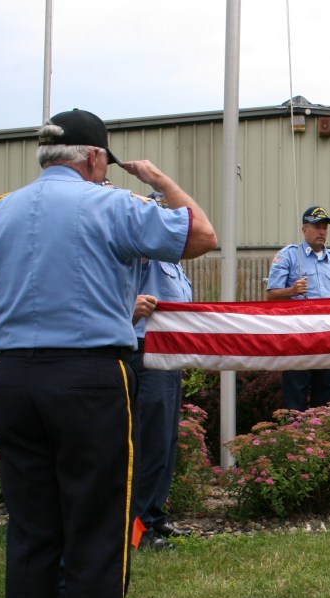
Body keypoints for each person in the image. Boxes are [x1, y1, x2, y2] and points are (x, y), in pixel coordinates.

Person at [0, 108, 216, 598]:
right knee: (97, 533)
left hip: (18, 381)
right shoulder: (114, 204)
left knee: (30, 537)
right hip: (92, 380)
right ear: (96, 158)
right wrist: (158, 181)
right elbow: (201, 235)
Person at [131, 193, 195, 551]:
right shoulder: (142, 252)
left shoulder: (171, 260)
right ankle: (138, 528)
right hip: (145, 352)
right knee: (150, 441)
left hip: (170, 355)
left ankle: (154, 515)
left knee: (167, 440)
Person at [265, 205, 330, 411]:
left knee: (327, 397)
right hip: (298, 336)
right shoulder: (289, 256)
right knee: (295, 396)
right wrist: (292, 290)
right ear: (305, 230)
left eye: (325, 228)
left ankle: (322, 440)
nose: (322, 232)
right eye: (317, 227)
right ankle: (295, 439)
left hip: (329, 336)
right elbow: (271, 295)